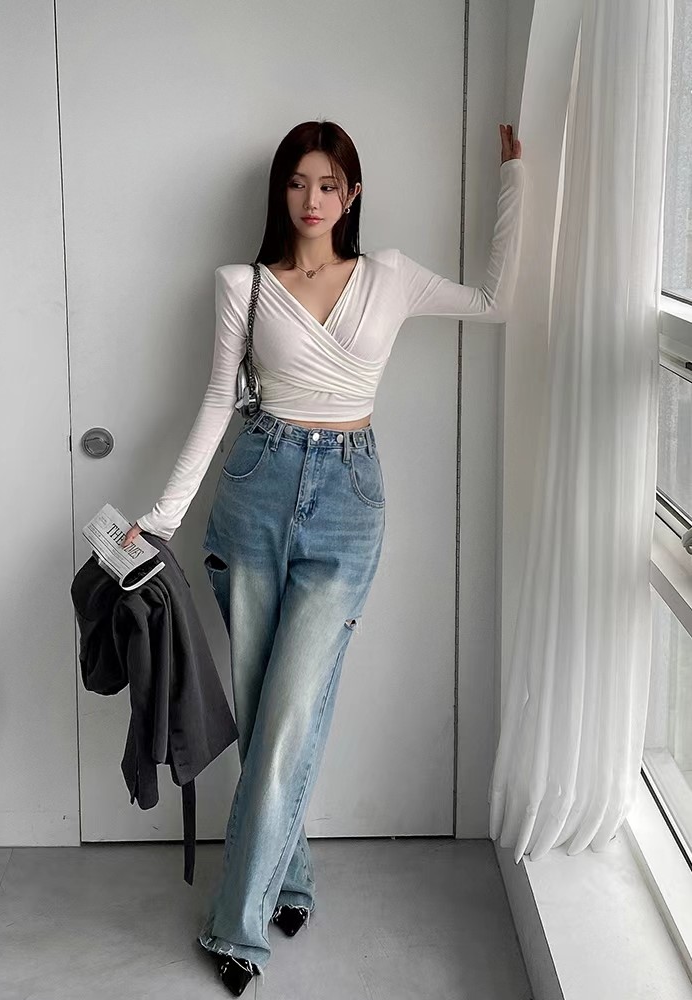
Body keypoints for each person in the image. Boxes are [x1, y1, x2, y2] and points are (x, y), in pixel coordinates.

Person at [121, 119, 525, 996]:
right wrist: (158, 520)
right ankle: (292, 876)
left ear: (353, 194)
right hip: (254, 490)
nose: (312, 200)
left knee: (291, 716)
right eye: (298, 182)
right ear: (282, 191)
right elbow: (215, 404)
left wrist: (515, 183)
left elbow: (497, 302)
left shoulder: (390, 276)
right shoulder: (242, 285)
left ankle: (238, 926)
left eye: (329, 184)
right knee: (267, 713)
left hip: (348, 503)